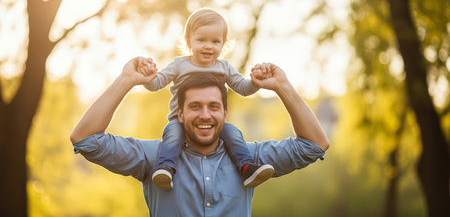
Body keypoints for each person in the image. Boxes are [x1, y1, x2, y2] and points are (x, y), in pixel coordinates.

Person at [70, 57, 329, 217]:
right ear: (179, 114)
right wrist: (126, 80)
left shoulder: (251, 160)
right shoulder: (152, 159)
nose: (205, 115)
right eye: (195, 106)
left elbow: (315, 145)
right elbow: (85, 139)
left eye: (213, 107)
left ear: (225, 113)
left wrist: (282, 86)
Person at [139, 8, 274, 190]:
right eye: (201, 40)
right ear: (189, 41)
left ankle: (247, 167)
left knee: (233, 133)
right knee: (172, 135)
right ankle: (166, 169)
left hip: (212, 123)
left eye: (215, 41)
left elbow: (242, 88)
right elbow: (157, 83)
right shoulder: (180, 64)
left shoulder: (224, 67)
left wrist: (256, 83)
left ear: (223, 44)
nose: (208, 46)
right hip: (180, 121)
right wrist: (147, 77)